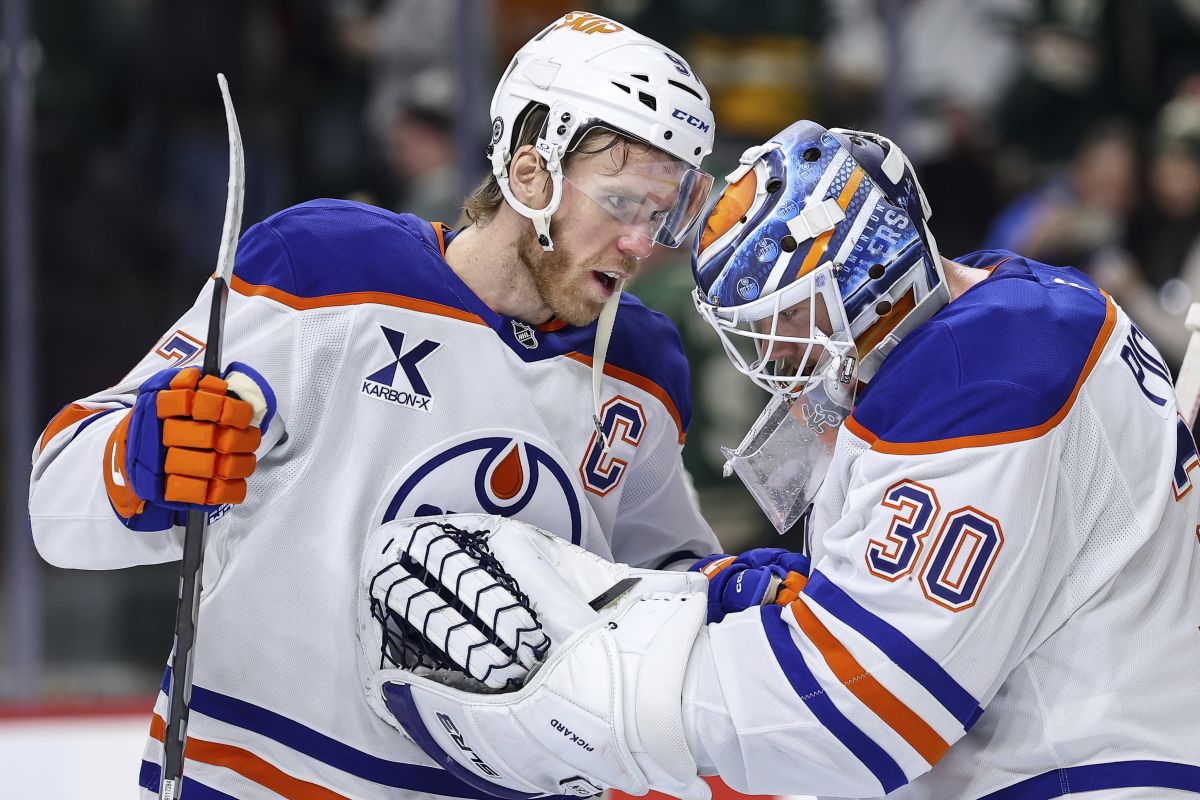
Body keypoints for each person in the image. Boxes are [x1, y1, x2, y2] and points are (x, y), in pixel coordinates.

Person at [375, 120, 1200, 799]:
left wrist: (583, 686)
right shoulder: (999, 311)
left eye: (792, 315)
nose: (779, 350)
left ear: (874, 271)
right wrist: (733, 594)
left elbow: (854, 712)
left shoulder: (986, 373)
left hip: (1087, 773)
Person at [29, 11, 720, 799]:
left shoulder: (645, 367)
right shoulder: (323, 272)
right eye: (625, 203)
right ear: (531, 175)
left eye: (664, 213)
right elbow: (58, 496)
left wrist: (723, 598)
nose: (646, 243)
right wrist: (142, 458)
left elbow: (657, 576)